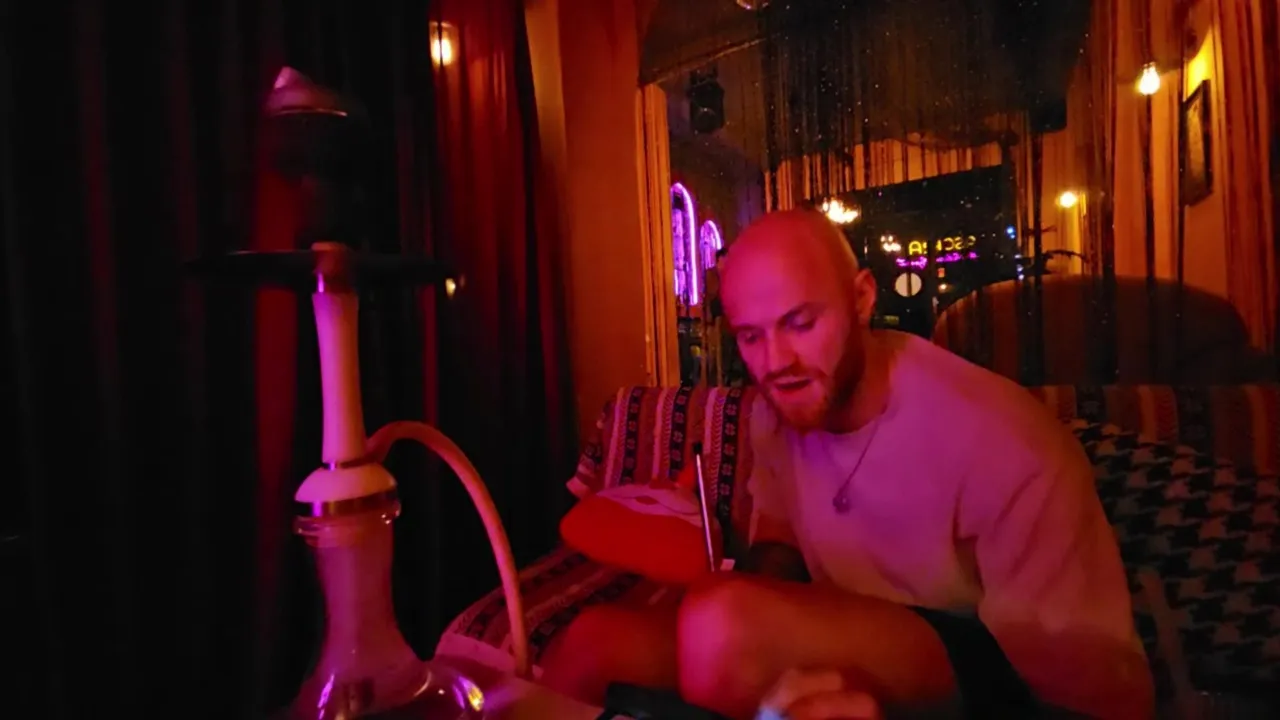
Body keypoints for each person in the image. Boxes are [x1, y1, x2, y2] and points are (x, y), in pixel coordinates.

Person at [541, 209, 1153, 719]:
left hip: (989, 669)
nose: (775, 362)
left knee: (720, 627)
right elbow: (779, 538)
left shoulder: (1004, 439)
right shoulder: (777, 412)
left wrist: (740, 621)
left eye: (800, 323)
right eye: (751, 336)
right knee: (594, 641)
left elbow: (1101, 699)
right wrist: (754, 591)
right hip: (844, 619)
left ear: (861, 298)